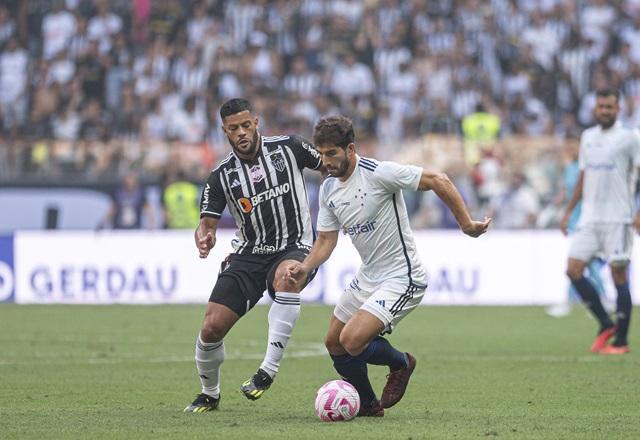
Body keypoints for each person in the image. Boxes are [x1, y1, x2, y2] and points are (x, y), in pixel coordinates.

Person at [287, 116, 491, 416]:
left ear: (350, 149)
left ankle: (400, 363)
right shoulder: (329, 189)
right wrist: (305, 267)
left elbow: (439, 180)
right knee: (334, 342)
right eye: (321, 153)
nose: (326, 161)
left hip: (402, 276)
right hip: (369, 274)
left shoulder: (379, 172)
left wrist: (466, 224)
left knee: (352, 340)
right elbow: (325, 241)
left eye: (332, 153)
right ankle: (369, 405)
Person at [184, 98, 323, 412]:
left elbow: (332, 165)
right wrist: (204, 238)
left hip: (295, 245)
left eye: (247, 125)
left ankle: (267, 371)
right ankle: (210, 393)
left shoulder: (290, 147)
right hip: (248, 253)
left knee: (288, 277)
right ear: (226, 132)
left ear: (256, 123)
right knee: (211, 327)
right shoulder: (221, 176)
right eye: (234, 128)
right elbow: (206, 224)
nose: (242, 132)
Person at [560, 88, 640, 355]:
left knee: (618, 273)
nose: (604, 111)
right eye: (601, 107)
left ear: (618, 109)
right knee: (573, 269)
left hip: (619, 217)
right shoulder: (588, 137)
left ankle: (621, 342)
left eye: (610, 107)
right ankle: (606, 324)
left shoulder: (630, 138)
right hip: (590, 218)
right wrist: (569, 211)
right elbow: (583, 176)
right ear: (595, 109)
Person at [546, 143, 606, 318]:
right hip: (575, 222)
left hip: (589, 221)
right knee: (579, 264)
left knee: (585, 264)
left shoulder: (590, 168)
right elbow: (566, 192)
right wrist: (554, 209)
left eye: (574, 146)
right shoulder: (570, 169)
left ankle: (596, 299)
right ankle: (592, 300)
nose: (570, 150)